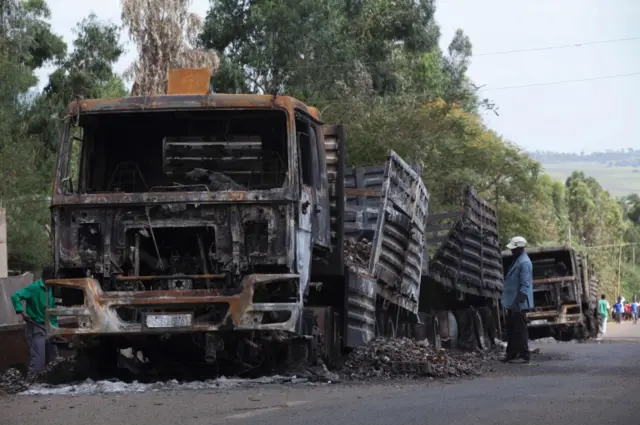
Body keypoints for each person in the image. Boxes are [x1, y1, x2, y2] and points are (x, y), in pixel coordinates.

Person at [11, 265, 59, 378]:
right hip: (36, 326)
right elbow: (15, 296)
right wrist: (21, 311)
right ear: (48, 277)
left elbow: (53, 313)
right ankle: (32, 383)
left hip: (50, 327)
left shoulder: (54, 290)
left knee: (54, 359)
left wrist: (56, 330)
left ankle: (53, 383)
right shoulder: (34, 288)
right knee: (38, 359)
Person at [501, 236, 534, 363]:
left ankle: (525, 354)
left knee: (520, 329)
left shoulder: (524, 262)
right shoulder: (518, 260)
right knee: (512, 329)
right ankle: (512, 354)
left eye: (514, 249)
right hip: (514, 302)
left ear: (520, 248)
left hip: (519, 303)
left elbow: (524, 286)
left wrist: (517, 302)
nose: (512, 251)